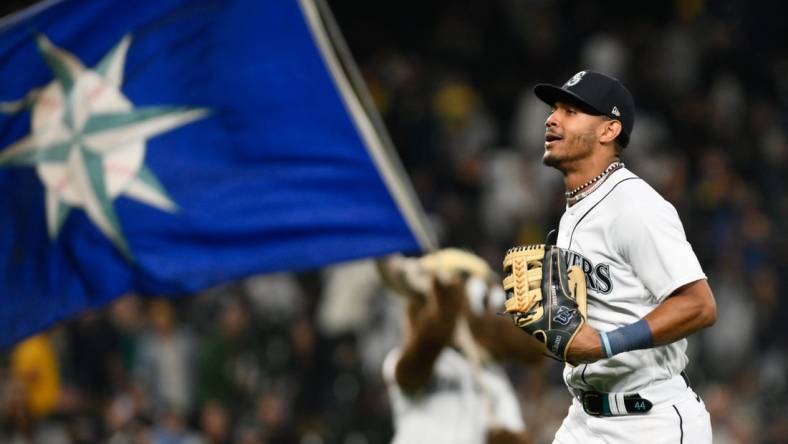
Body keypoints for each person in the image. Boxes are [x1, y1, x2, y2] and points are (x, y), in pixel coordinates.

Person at [530, 69, 717, 443]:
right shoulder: (575, 209)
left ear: (608, 130)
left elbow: (699, 305)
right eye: (554, 110)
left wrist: (604, 344)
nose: (551, 119)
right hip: (584, 419)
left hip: (650, 421)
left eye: (571, 111)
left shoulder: (635, 205)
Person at [378, 250, 543, 444]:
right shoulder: (399, 360)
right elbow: (412, 371)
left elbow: (512, 431)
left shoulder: (494, 382)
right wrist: (445, 309)